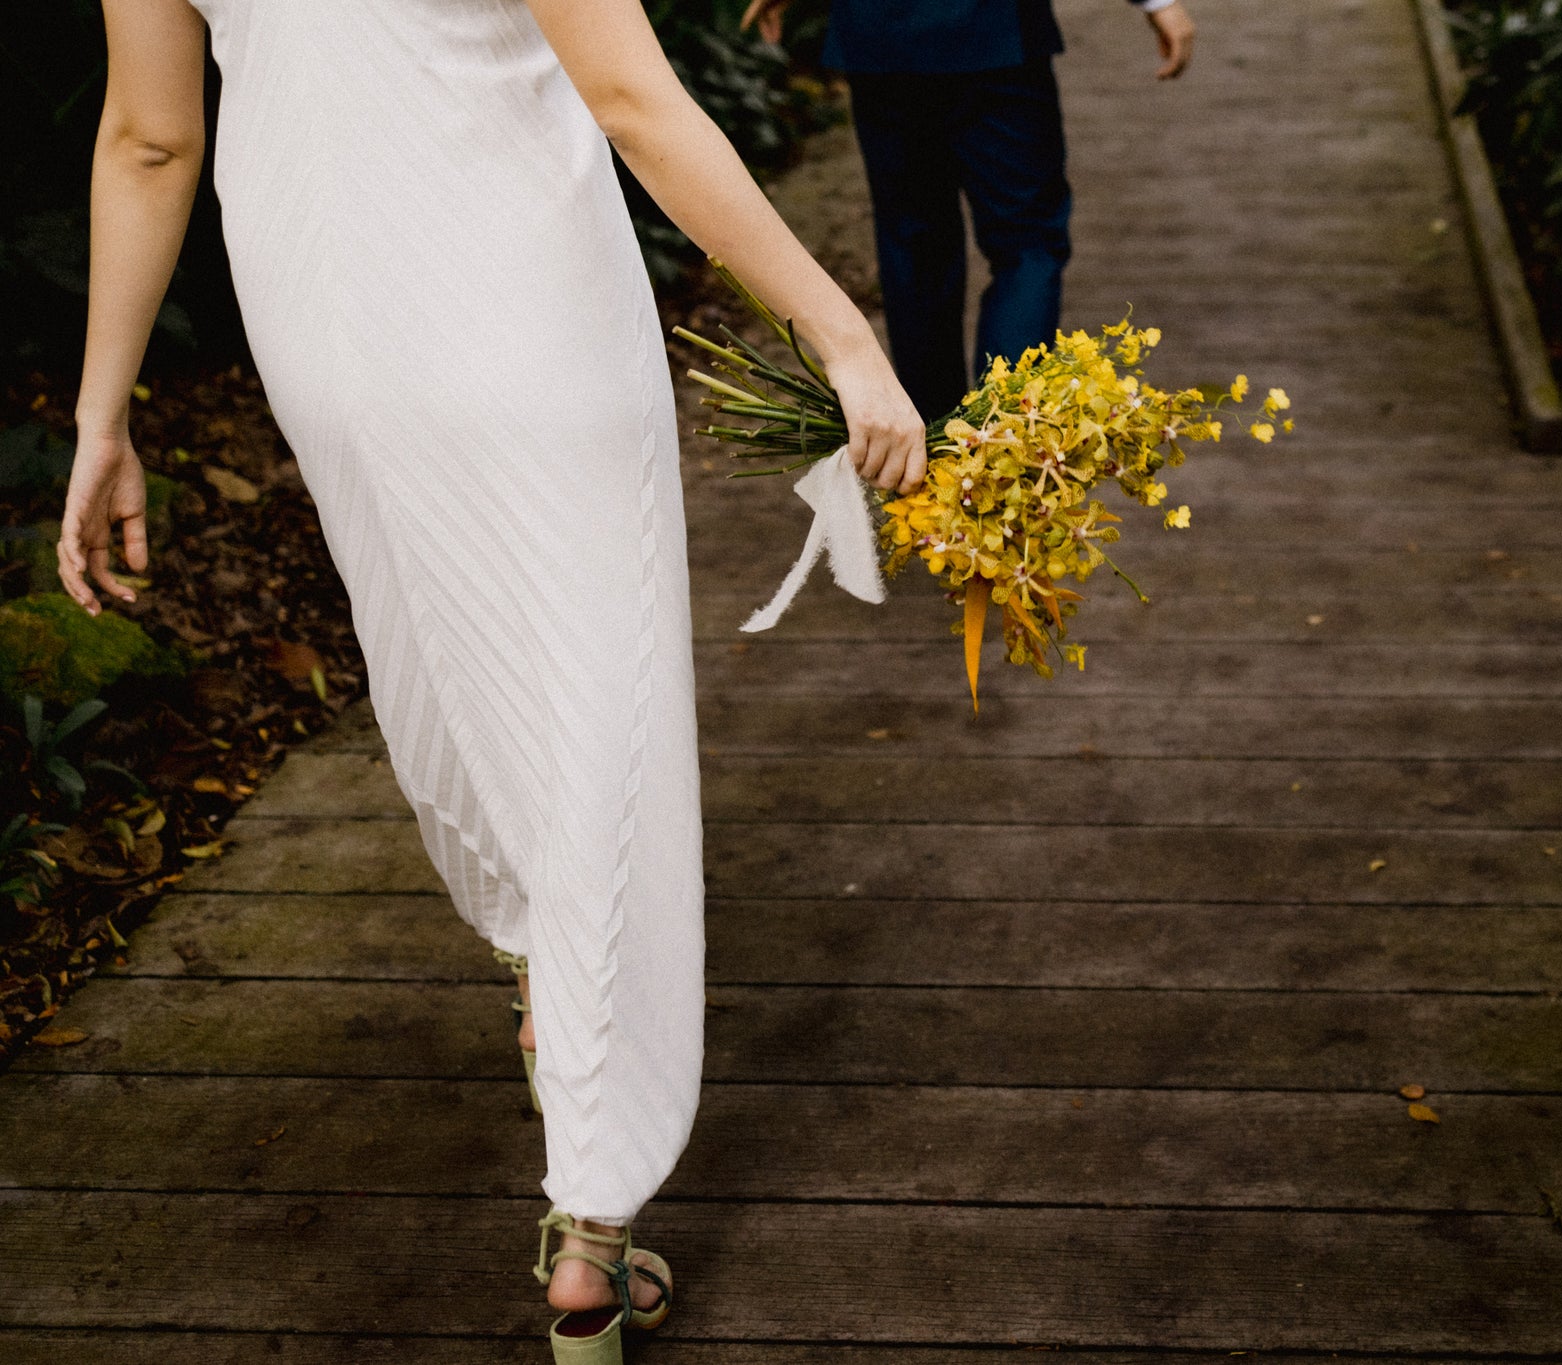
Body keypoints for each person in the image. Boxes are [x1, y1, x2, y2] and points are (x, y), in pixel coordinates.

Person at [57, 1, 926, 1359]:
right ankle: (589, 1219)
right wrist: (843, 335)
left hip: (328, 326)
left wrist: (103, 417)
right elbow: (633, 100)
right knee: (599, 705)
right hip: (525, 310)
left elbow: (151, 138)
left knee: (453, 662)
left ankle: (547, 979)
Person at [743, 0, 1197, 419]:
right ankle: (1002, 441)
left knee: (914, 245)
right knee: (1026, 246)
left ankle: (933, 454)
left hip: (883, 41)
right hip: (994, 33)